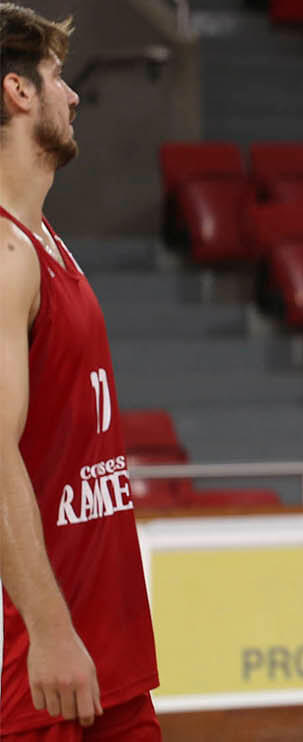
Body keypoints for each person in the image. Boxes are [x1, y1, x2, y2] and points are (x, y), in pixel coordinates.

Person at [0, 5, 159, 739]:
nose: (71, 95)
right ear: (17, 91)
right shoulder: (6, 256)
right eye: (56, 76)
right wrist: (51, 630)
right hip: (38, 669)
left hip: (105, 657)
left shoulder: (44, 239)